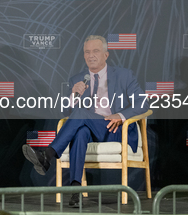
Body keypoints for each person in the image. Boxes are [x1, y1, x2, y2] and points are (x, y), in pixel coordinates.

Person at [22, 35, 148, 207]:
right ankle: (76, 191)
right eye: (87, 52)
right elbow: (65, 113)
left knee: (81, 114)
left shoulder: (124, 75)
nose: (91, 55)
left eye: (96, 51)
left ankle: (48, 155)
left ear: (106, 55)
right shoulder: (77, 79)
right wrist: (73, 96)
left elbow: (143, 103)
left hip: (116, 130)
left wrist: (121, 116)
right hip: (90, 129)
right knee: (80, 133)